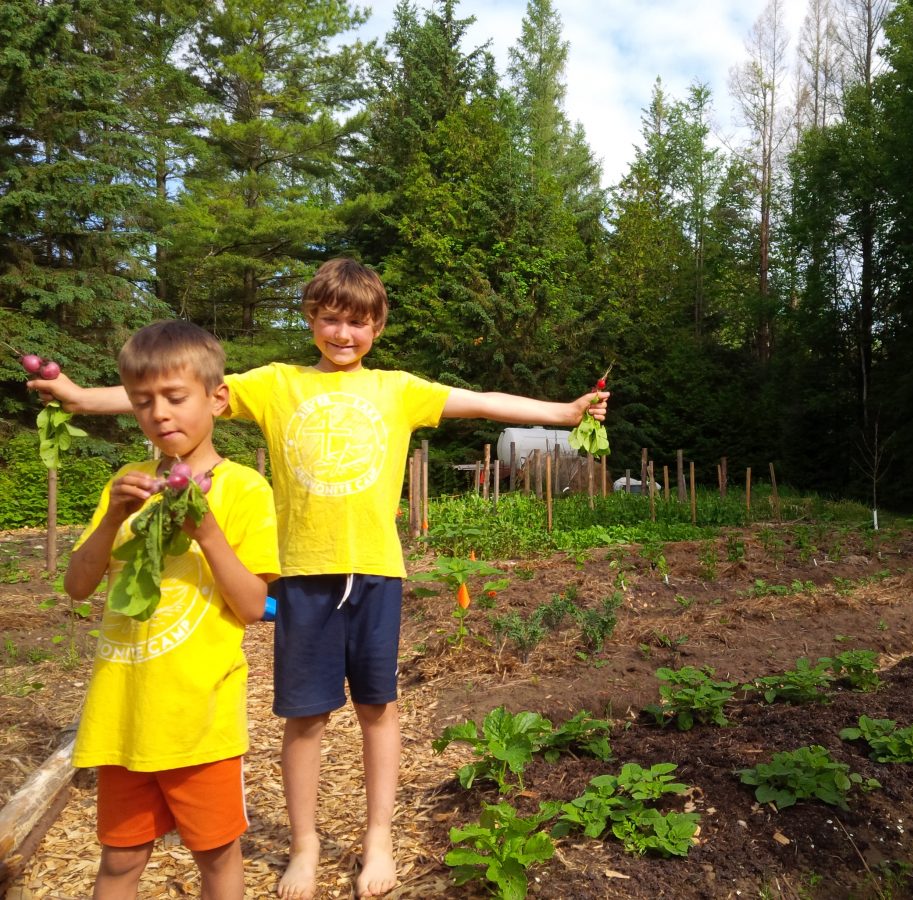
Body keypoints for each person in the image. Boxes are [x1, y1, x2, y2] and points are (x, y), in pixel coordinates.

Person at [32, 257, 609, 899]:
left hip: (375, 571)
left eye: (358, 323)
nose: (343, 334)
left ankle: (378, 838)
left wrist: (565, 413)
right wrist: (79, 398)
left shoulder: (398, 389)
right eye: (331, 319)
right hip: (303, 575)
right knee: (305, 716)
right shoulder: (276, 384)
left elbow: (481, 402)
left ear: (377, 328)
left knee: (377, 708)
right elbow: (172, 389)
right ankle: (304, 845)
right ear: (311, 319)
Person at [65, 321, 279, 899]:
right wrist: (113, 517)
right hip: (122, 714)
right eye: (142, 402)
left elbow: (253, 606)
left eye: (175, 397)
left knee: (216, 856)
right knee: (120, 860)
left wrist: (207, 533)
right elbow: (77, 586)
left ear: (217, 398)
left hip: (199, 721)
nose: (159, 413)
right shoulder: (126, 485)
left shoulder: (244, 489)